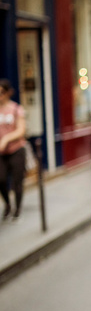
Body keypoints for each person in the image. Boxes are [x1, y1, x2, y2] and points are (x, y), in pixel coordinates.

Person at [0, 79, 28, 222]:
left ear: (8, 93)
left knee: (17, 182)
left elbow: (21, 130)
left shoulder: (16, 109)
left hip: (16, 150)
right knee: (1, 180)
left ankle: (17, 208)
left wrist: (6, 139)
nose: (0, 96)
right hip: (1, 154)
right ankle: (7, 204)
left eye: (2, 92)